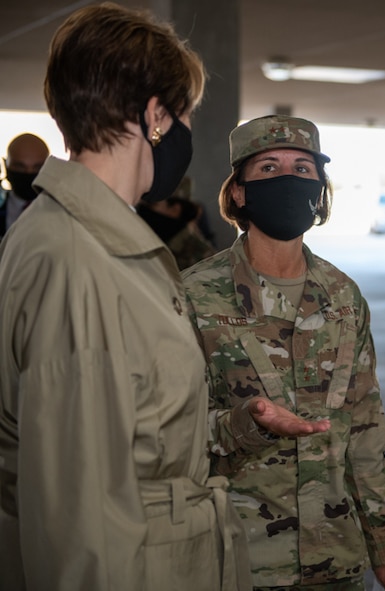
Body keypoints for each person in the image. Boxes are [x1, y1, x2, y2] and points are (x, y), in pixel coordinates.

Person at [0, 3, 261, 589]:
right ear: (154, 117)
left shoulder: (94, 242)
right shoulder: (77, 261)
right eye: (185, 114)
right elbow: (81, 525)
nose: (188, 133)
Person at [182, 114, 385, 591]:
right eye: (268, 168)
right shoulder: (193, 296)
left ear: (320, 190)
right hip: (238, 559)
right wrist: (244, 422)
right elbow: (171, 429)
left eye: (303, 168)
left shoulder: (343, 296)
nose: (289, 179)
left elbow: (367, 429)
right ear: (239, 192)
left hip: (338, 559)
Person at [137, 176, 216, 269]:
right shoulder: (151, 239)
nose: (144, 208)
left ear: (175, 210)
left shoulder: (195, 254)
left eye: (153, 205)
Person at [0, 132, 49, 237]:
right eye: (20, 166)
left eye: (37, 167)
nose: (28, 173)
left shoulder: (63, 212)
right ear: (5, 165)